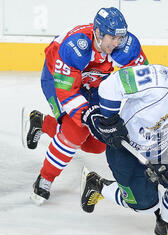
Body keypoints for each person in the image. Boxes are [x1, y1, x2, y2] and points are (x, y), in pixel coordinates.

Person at [80, 48, 168, 235]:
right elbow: (112, 85)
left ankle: (165, 226)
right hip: (124, 147)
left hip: (158, 148)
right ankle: (98, 185)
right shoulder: (156, 78)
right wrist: (109, 120)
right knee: (144, 204)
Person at [24, 7, 148, 204]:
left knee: (98, 144)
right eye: (112, 38)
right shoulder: (75, 47)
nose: (117, 44)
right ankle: (45, 177)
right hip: (58, 79)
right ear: (98, 33)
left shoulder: (127, 46)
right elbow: (68, 92)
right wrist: (86, 114)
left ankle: (42, 123)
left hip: (94, 85)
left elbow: (144, 83)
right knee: (75, 133)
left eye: (120, 39)